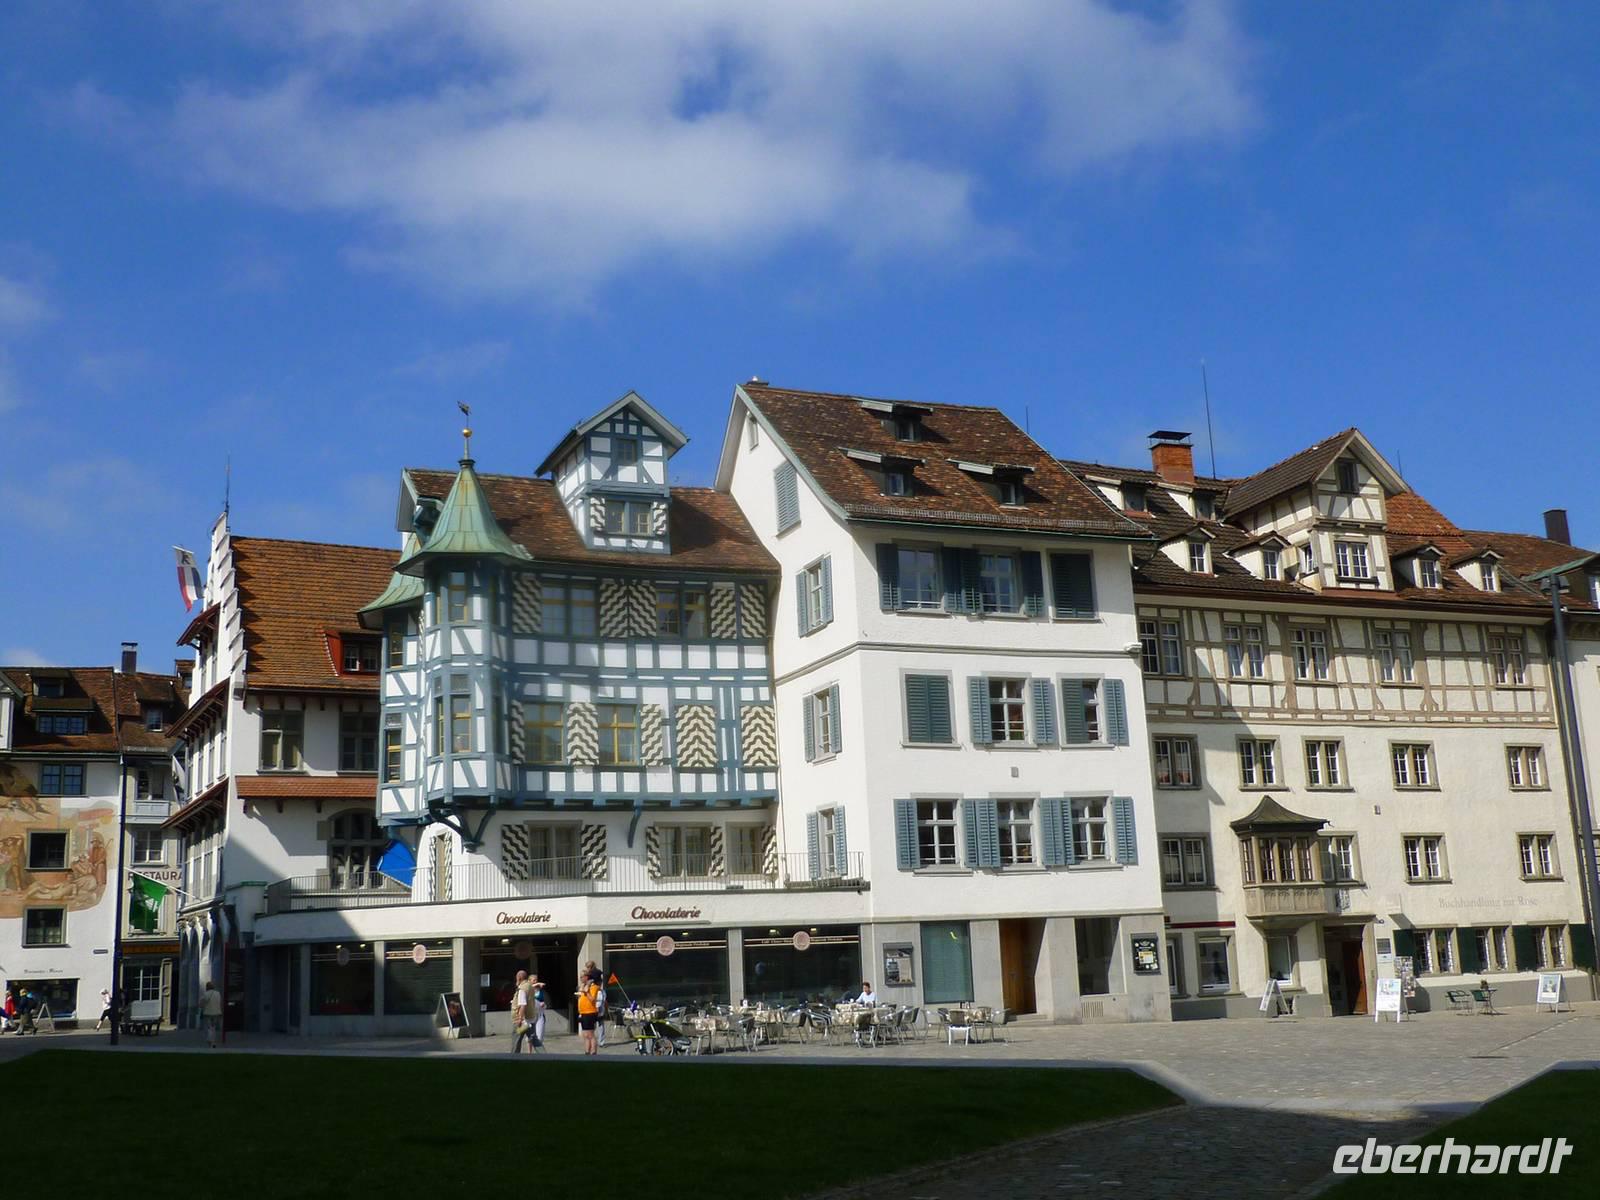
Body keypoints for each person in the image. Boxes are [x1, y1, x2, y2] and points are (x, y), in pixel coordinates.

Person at [576, 971, 602, 1056]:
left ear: (587, 977)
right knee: (585, 1034)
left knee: (590, 1034)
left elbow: (592, 1000)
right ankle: (587, 1051)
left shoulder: (593, 987)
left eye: (582, 977)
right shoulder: (583, 986)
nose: (581, 979)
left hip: (590, 1012)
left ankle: (593, 1052)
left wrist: (586, 992)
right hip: (583, 1012)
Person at [510, 970, 533, 1054]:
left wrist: (520, 1019)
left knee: (516, 1039)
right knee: (534, 1040)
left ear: (519, 978)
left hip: (522, 1021)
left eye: (516, 978)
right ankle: (544, 1056)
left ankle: (514, 1058)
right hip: (530, 1019)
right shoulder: (529, 986)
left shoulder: (522, 989)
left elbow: (523, 1005)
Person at [200, 981, 223, 1047]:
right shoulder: (218, 993)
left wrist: (202, 1006)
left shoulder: (206, 994)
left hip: (208, 1013)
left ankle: (210, 1039)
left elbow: (201, 1003)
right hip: (216, 1013)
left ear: (207, 987)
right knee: (213, 1027)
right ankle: (213, 1042)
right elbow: (220, 1002)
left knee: (209, 1027)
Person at [530, 974, 548, 1050]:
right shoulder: (529, 990)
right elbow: (529, 989)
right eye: (534, 980)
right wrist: (537, 984)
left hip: (540, 1014)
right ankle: (530, 1053)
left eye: (536, 980)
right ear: (529, 981)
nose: (536, 981)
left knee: (539, 1036)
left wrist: (543, 1004)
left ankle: (538, 1052)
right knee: (530, 1036)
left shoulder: (540, 991)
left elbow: (543, 1002)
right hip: (531, 1015)